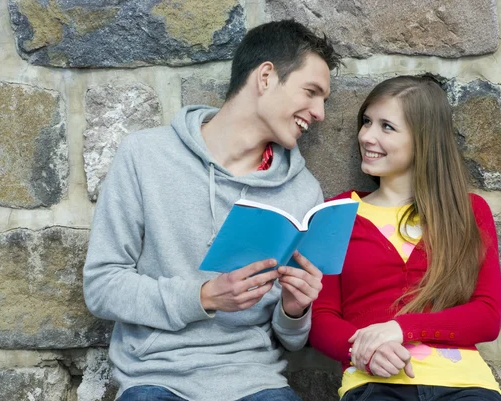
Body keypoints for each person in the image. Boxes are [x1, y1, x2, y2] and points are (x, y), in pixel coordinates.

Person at [83, 20, 341, 401]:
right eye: (311, 92)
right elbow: (102, 286)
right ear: (266, 77)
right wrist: (203, 296)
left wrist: (294, 308)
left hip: (256, 382)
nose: (319, 112)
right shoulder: (145, 155)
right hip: (155, 377)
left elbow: (291, 340)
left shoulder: (302, 192)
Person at [309, 76, 501, 401]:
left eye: (387, 127)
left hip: (466, 385)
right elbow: (321, 319)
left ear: (423, 139)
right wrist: (365, 349)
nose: (367, 136)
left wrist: (402, 328)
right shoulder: (336, 213)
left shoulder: (468, 211)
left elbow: (486, 316)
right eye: (367, 122)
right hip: (374, 384)